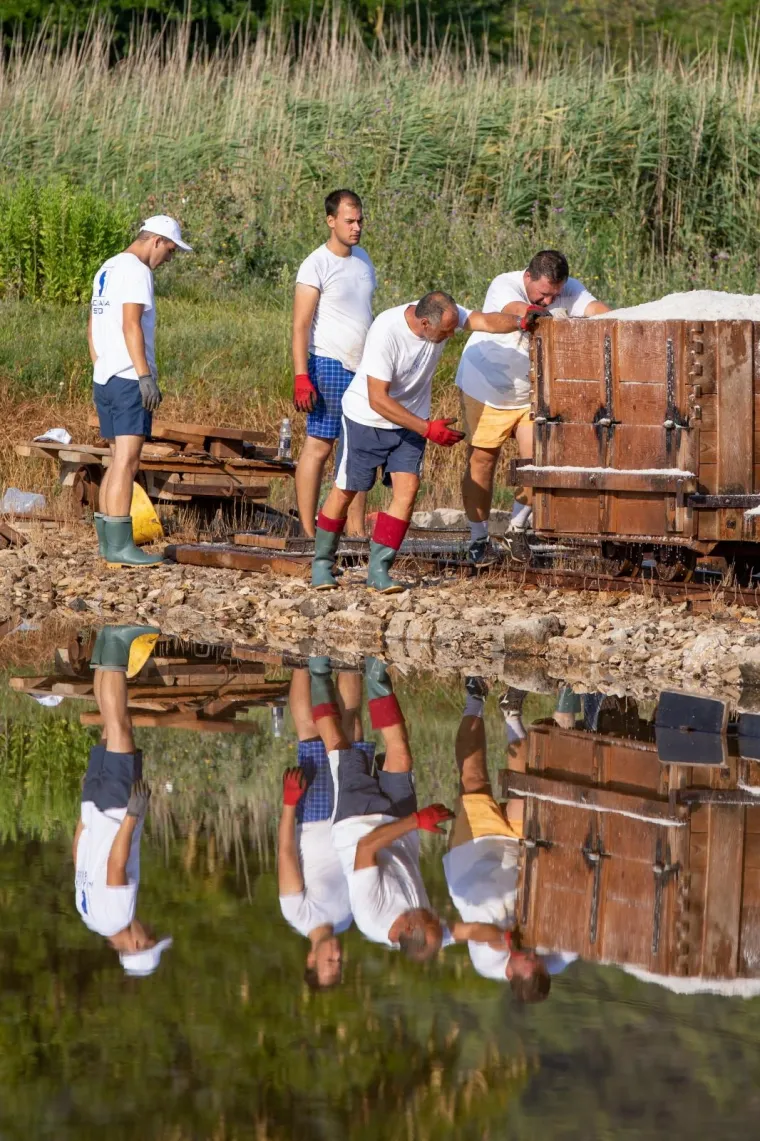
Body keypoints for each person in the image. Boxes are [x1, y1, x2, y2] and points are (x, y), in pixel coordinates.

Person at [312, 291, 522, 593]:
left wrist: (521, 321)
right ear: (424, 323)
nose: (452, 335)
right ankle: (321, 564)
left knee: (408, 489)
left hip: (412, 420)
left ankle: (379, 569)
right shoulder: (387, 331)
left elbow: (483, 320)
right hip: (366, 418)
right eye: (446, 331)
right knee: (347, 489)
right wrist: (427, 429)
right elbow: (377, 399)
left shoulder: (443, 313)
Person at [456, 250, 610, 564]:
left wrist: (621, 321)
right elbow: (519, 311)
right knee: (483, 462)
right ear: (528, 277)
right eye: (542, 295)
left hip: (531, 392)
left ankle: (516, 529)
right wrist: (544, 315)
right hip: (485, 386)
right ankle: (478, 538)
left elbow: (597, 311)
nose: (548, 302)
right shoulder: (505, 284)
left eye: (555, 296)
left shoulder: (567, 290)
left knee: (535, 462)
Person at [311, 656, 453, 959]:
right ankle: (378, 674)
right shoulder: (423, 927)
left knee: (338, 744)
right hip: (401, 823)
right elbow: (466, 932)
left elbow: (366, 848)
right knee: (401, 753)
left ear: (408, 928)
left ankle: (318, 672)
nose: (433, 914)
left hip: (356, 823)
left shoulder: (371, 917)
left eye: (430, 919)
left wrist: (417, 820)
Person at [88, 215, 192, 567]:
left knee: (115, 460)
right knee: (127, 462)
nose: (169, 258)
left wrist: (100, 364)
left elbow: (92, 323)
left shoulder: (108, 267)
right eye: (171, 250)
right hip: (128, 378)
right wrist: (144, 375)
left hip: (105, 376)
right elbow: (130, 323)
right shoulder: (136, 270)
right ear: (157, 241)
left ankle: (107, 542)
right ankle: (120, 545)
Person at [442, 676, 554, 1002]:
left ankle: (475, 697)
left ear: (510, 972)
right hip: (516, 851)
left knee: (473, 778)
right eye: (537, 959)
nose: (532, 953)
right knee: (523, 794)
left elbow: (465, 932)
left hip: (472, 857)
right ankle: (511, 711)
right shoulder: (552, 959)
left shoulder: (489, 965)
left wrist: (504, 940)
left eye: (526, 960)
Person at [73, 625, 172, 977]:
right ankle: (104, 650)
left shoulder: (119, 917)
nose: (150, 931)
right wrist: (84, 814)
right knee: (111, 726)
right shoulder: (90, 919)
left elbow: (116, 868)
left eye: (150, 939)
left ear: (135, 946)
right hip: (94, 808)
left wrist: (132, 816)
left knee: (120, 729)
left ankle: (115, 643)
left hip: (115, 809)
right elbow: (78, 858)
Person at [277, 664, 375, 991]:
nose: (337, 956)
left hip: (314, 816)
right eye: (339, 963)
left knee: (311, 735)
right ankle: (349, 659)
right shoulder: (348, 919)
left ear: (310, 959)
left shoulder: (297, 915)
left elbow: (287, 853)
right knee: (351, 729)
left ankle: (302, 660)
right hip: (350, 819)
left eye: (328, 962)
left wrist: (290, 803)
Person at [293, 189, 376, 539]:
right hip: (328, 362)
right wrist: (301, 376)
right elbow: (300, 324)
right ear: (331, 221)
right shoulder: (316, 264)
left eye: (359, 220)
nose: (356, 227)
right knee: (320, 445)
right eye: (349, 221)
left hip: (364, 367)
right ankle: (308, 531)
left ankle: (355, 532)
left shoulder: (364, 259)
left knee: (357, 448)